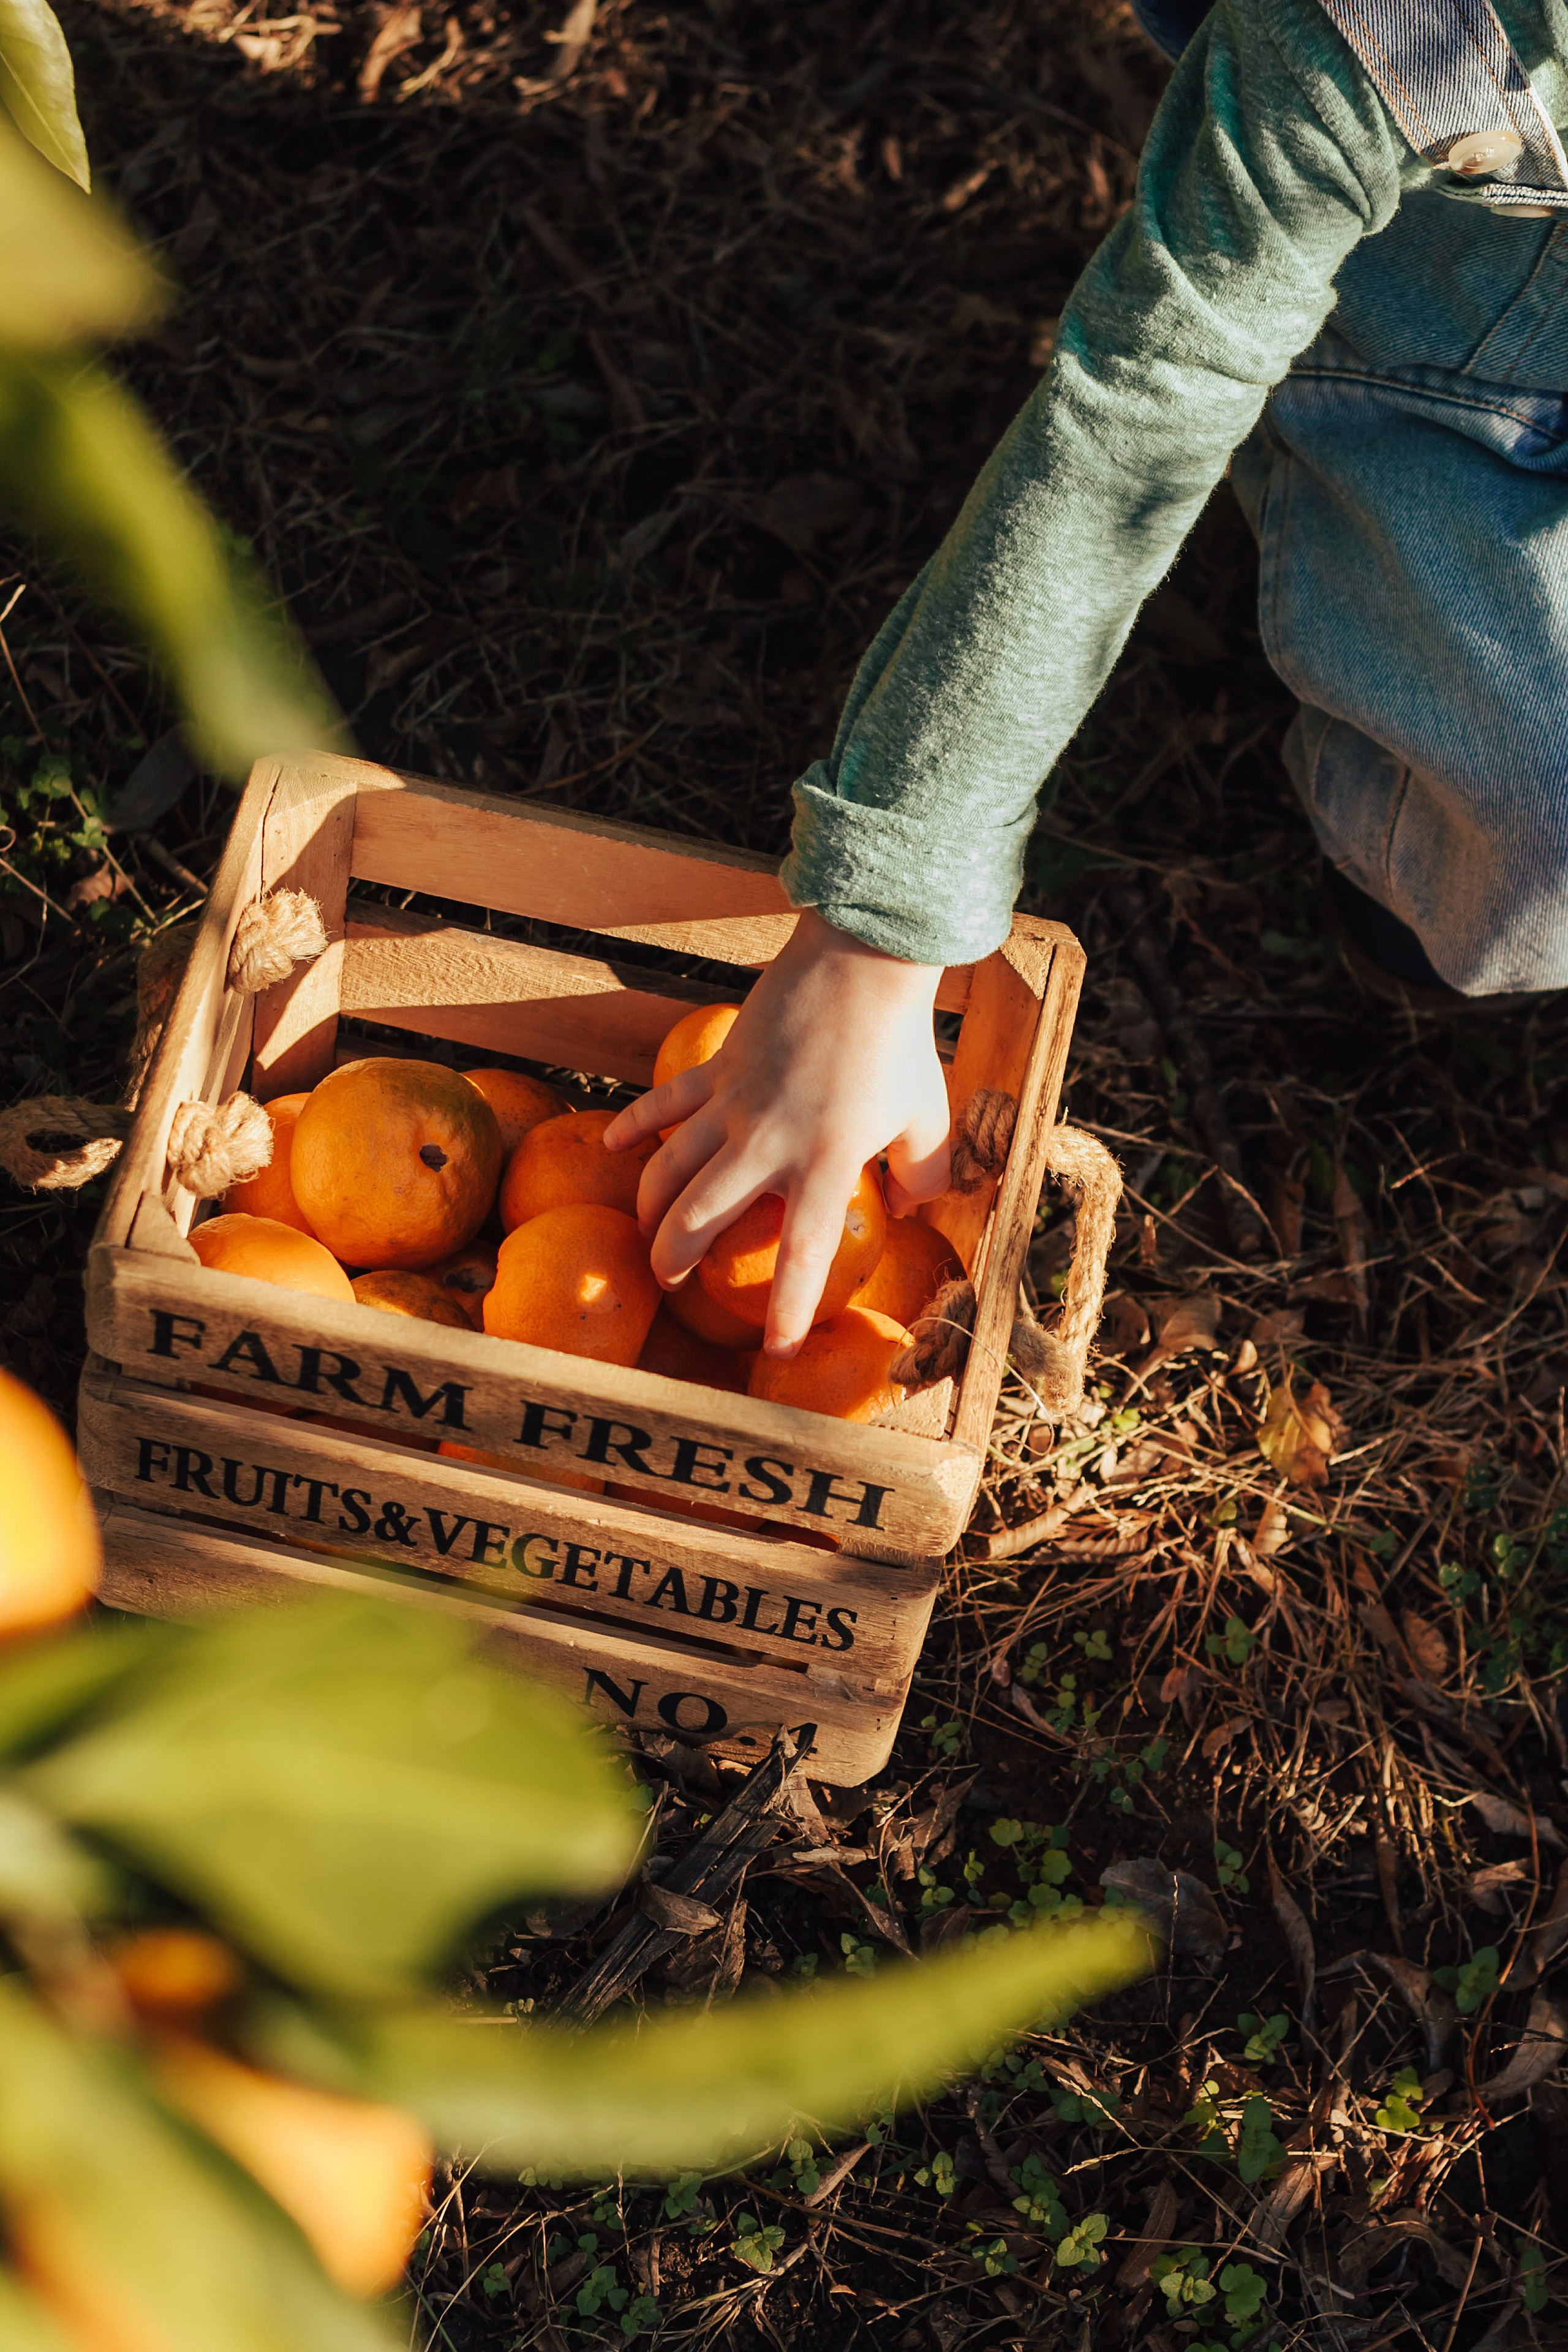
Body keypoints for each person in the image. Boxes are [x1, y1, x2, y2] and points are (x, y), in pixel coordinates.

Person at [608, 0, 1568, 1351]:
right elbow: (1136, 406)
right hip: (1439, 381)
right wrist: (872, 941)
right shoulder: (1394, 31)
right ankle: (1399, 839)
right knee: (1545, 841)